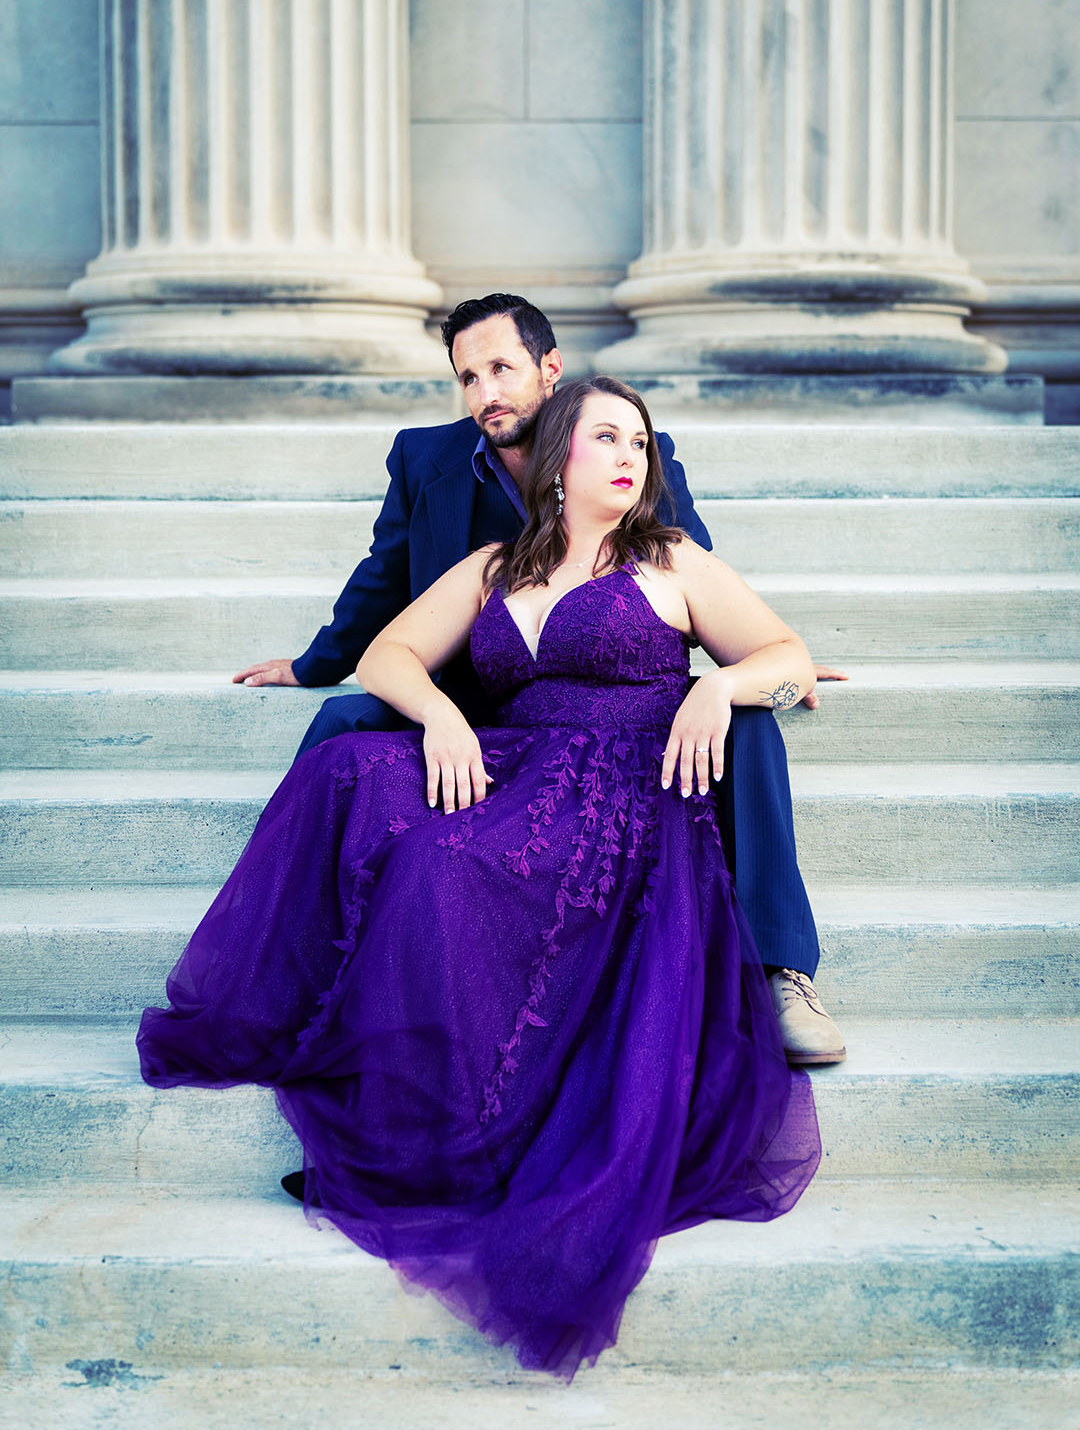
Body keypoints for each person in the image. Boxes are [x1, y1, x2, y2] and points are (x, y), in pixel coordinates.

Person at [139, 376, 822, 1379]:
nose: (630, 457)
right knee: (352, 778)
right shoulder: (496, 566)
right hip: (516, 768)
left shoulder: (670, 559)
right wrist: (444, 716)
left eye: (639, 442)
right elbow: (388, 656)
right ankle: (399, 1108)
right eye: (607, 437)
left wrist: (722, 683)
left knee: (447, 870)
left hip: (630, 794)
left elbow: (787, 652)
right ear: (560, 456)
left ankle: (453, 1141)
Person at [235, 294, 846, 1065]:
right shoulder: (449, 490)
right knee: (341, 736)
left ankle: (780, 969)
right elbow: (385, 586)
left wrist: (743, 671)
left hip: (629, 730)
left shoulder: (649, 516)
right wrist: (332, 672)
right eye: (468, 376)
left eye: (501, 368)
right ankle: (297, 954)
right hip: (487, 709)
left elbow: (705, 584)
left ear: (548, 370)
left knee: (749, 722)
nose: (485, 391)